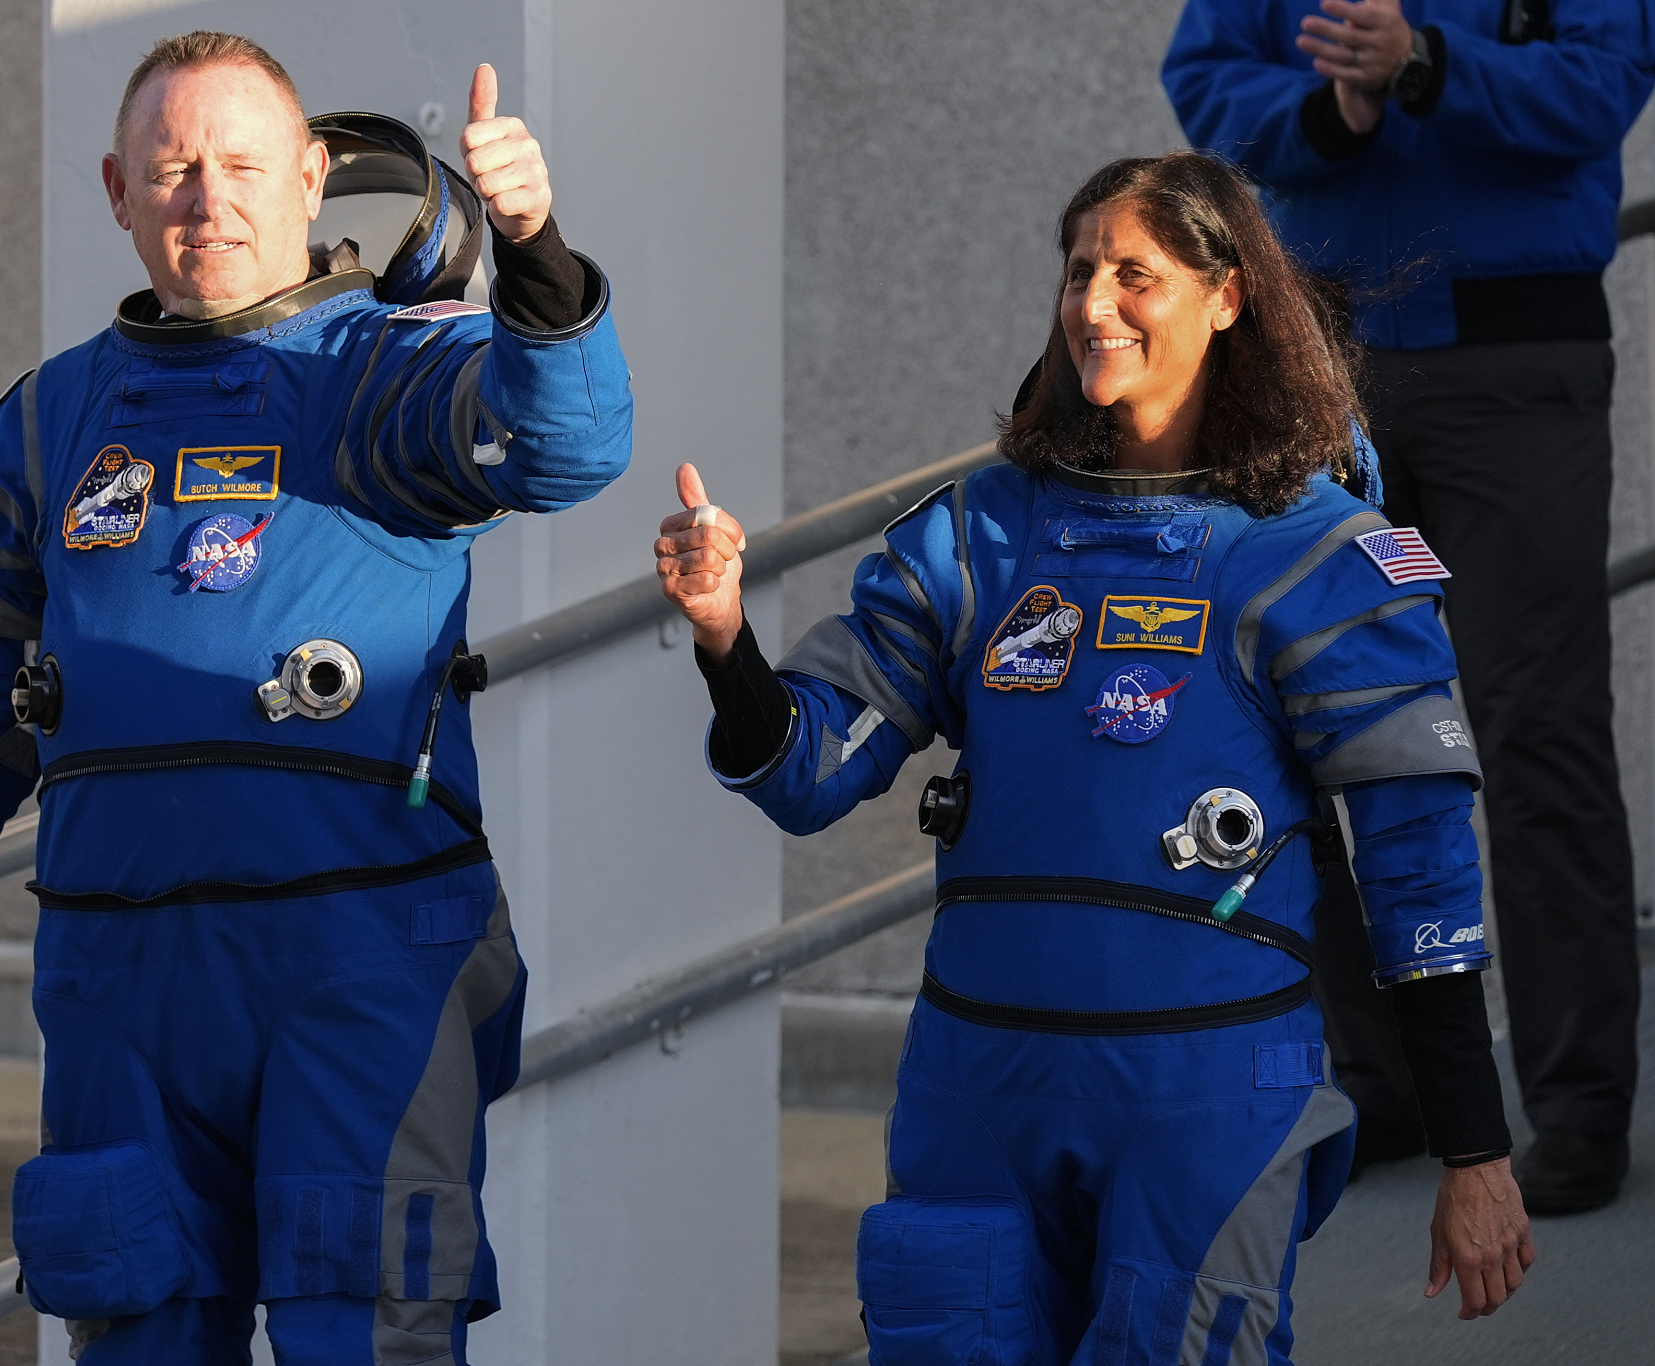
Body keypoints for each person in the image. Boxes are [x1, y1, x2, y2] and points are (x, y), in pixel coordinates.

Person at [0, 31, 632, 1366]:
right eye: (175, 167)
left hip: (359, 961)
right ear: (118, 191)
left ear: (312, 176)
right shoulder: (50, 422)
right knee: (135, 1322)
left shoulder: (386, 372)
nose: (210, 197)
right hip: (119, 977)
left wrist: (536, 248)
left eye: (244, 163)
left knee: (362, 1325)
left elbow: (564, 444)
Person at [656, 154, 1533, 1362]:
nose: (1093, 303)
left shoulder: (1318, 555)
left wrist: (1472, 1150)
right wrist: (723, 641)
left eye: (1135, 273)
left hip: (1204, 1096)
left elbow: (1417, 876)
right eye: (1078, 271)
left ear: (1227, 296)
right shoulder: (982, 534)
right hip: (980, 1085)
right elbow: (810, 769)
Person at [1163, 0, 1653, 1214]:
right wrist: (1332, 110)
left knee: (1536, 731)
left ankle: (1578, 1107)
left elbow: (1600, 88)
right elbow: (1206, 84)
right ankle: (1374, 1082)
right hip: (1322, 373)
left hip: (1511, 370)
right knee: (1303, 724)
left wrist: (1428, 64)